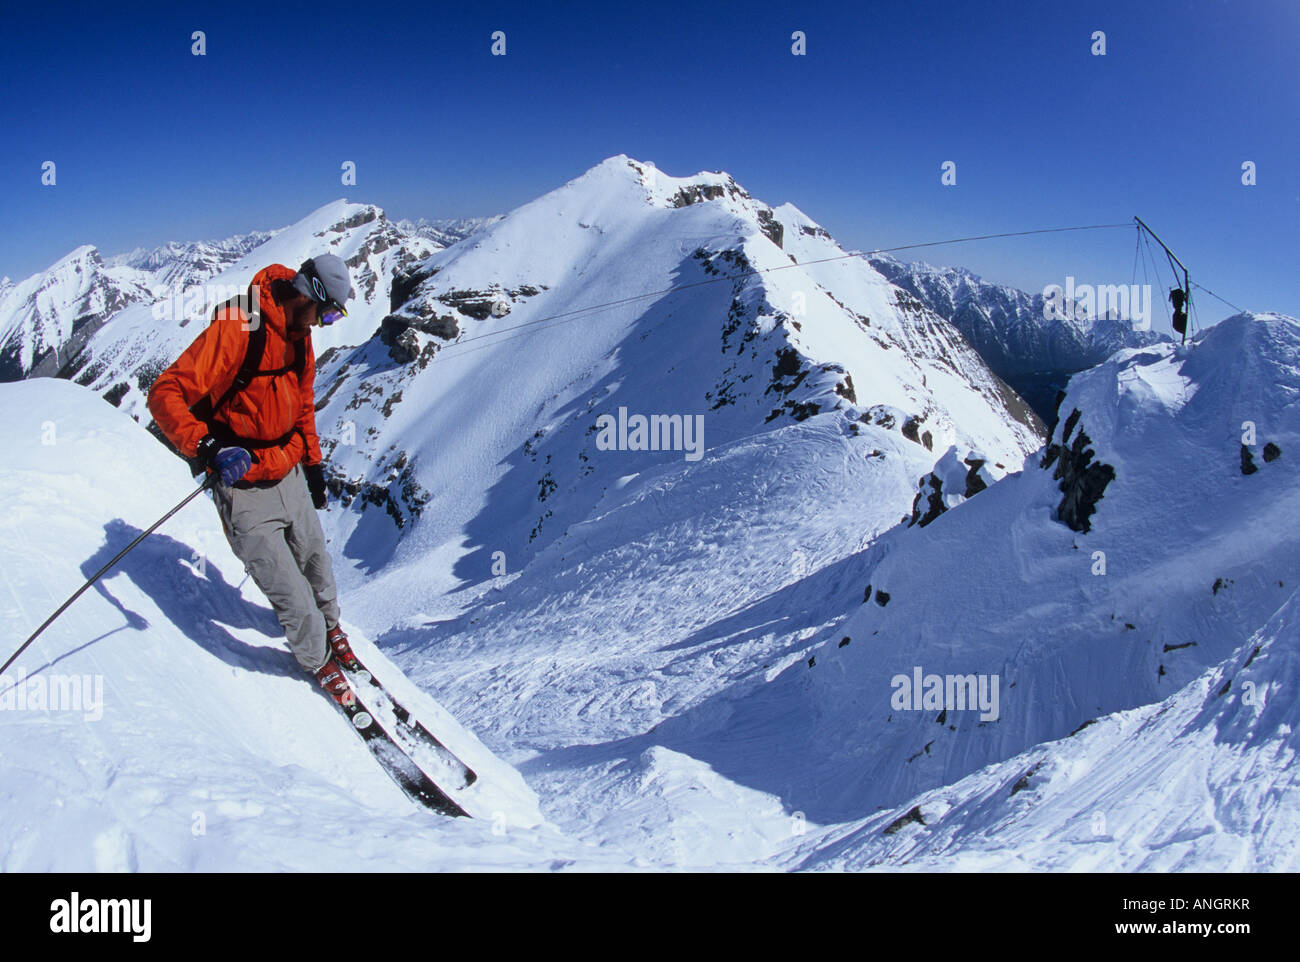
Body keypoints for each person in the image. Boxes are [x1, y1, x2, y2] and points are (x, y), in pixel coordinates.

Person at [148, 254, 361, 704]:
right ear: (309, 294)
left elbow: (302, 403)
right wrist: (206, 447)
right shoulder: (239, 324)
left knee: (317, 564)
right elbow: (165, 393)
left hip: (287, 468)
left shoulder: (300, 335)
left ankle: (332, 628)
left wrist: (314, 465)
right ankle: (316, 659)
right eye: (328, 312)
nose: (326, 324)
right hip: (242, 481)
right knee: (288, 589)